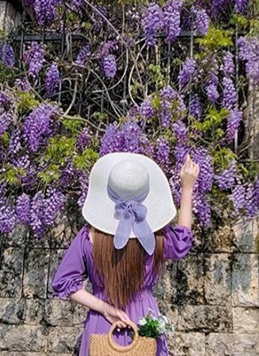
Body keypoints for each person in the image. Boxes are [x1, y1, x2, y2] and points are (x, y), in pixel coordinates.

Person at [51, 151, 200, 356]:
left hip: (102, 323)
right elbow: (183, 240)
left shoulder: (89, 236)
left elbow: (64, 282)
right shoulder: (155, 236)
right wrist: (187, 188)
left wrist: (104, 308)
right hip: (143, 321)